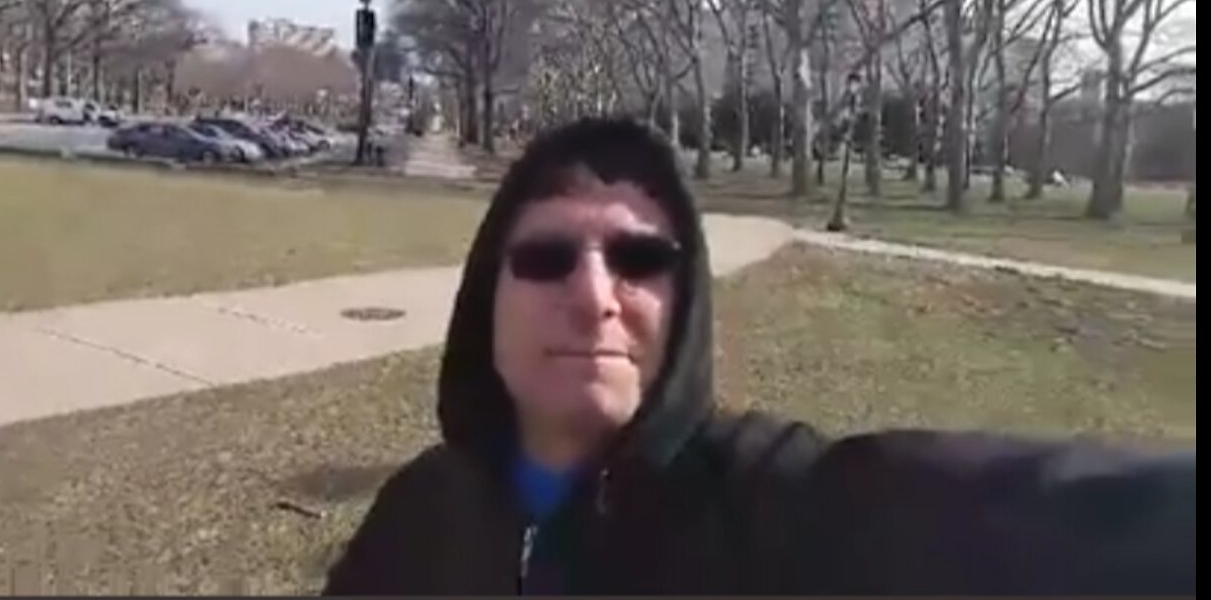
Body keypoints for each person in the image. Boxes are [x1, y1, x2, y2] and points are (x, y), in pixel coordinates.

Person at [323, 118, 1195, 596]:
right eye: (548, 256)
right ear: (486, 302)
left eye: (639, 259)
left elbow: (1032, 514)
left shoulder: (775, 502)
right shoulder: (420, 509)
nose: (593, 295)